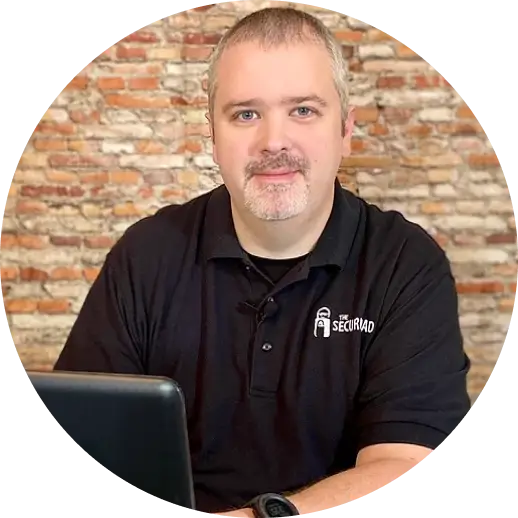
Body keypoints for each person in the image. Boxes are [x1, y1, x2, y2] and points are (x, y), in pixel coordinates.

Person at [53, 7, 471, 516]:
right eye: (245, 114)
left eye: (303, 111)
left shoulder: (406, 265)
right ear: (213, 134)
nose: (274, 141)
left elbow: (404, 461)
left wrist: (261, 515)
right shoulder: (145, 254)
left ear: (346, 129)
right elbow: (87, 436)